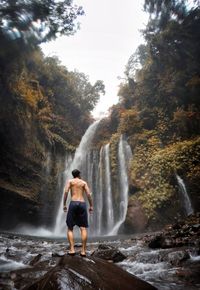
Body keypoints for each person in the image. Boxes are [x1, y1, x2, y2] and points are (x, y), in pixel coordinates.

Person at [63, 169, 93, 257]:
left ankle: (72, 250)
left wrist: (64, 204)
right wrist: (91, 206)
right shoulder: (83, 183)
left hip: (73, 203)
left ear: (73, 175)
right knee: (83, 228)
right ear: (79, 174)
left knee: (70, 227)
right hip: (82, 203)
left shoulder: (70, 181)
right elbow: (88, 194)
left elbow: (66, 192)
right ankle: (83, 251)